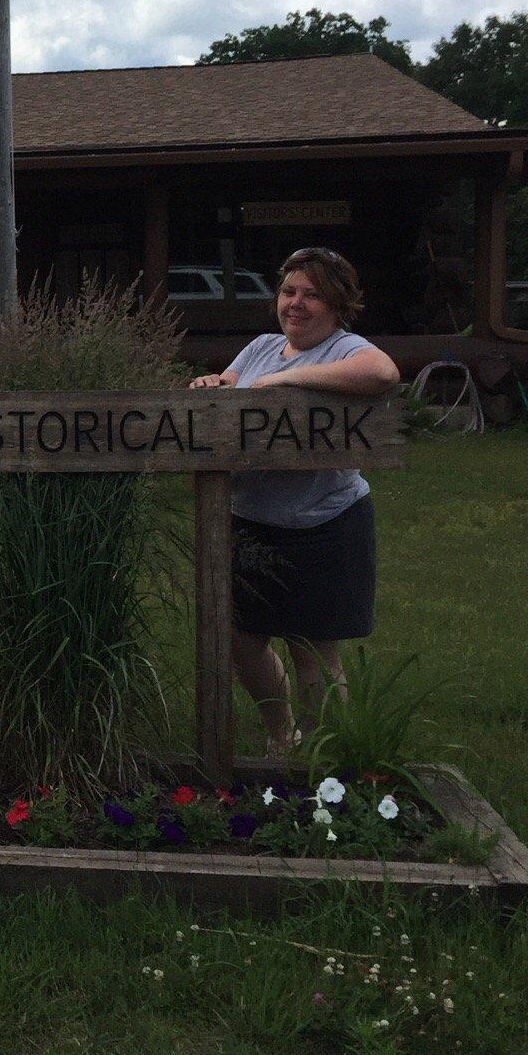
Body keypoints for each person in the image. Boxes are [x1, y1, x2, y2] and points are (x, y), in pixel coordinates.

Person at [188, 247, 400, 753]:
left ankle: (322, 750)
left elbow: (383, 374)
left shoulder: (348, 348)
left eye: (312, 295)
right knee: (241, 641)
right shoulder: (260, 346)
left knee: (312, 647)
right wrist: (212, 385)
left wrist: (286, 379)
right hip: (249, 518)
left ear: (337, 307)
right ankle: (281, 736)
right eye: (289, 292)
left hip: (325, 519)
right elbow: (233, 391)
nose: (296, 304)